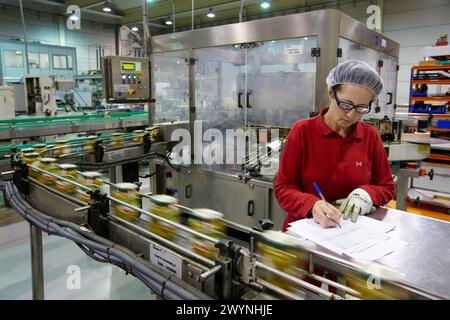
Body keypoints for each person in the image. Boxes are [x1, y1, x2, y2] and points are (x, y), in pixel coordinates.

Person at [274, 59, 395, 230]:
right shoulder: (303, 131)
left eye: (361, 108)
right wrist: (312, 205)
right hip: (306, 231)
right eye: (346, 104)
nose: (351, 114)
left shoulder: (370, 136)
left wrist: (367, 194)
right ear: (331, 93)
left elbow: (386, 187)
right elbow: (284, 188)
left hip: (352, 232)